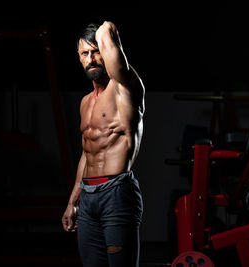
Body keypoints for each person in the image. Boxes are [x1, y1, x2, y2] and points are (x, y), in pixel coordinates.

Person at [61, 21, 145, 267]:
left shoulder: (125, 88)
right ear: (79, 59)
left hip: (116, 193)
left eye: (96, 50)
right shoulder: (86, 102)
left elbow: (108, 31)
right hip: (87, 198)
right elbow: (87, 153)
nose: (91, 58)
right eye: (84, 53)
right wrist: (72, 202)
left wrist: (99, 31)